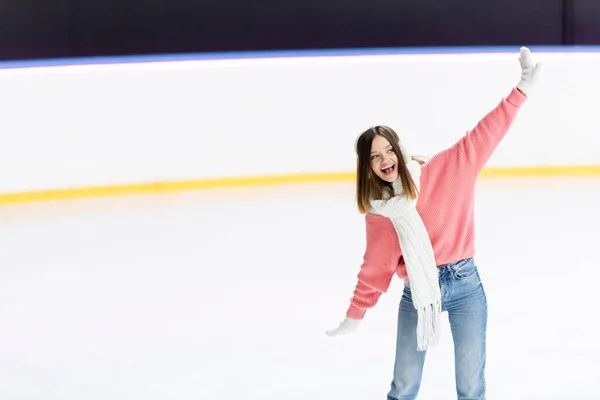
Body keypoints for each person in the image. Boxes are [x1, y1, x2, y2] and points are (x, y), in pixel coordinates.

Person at [326, 47, 542, 399]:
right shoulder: (381, 212)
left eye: (388, 150)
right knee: (403, 386)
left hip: (465, 285)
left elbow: (484, 133)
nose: (384, 160)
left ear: (399, 149)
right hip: (417, 293)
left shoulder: (446, 170)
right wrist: (355, 314)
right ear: (367, 167)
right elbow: (375, 267)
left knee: (471, 388)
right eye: (374, 157)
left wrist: (521, 91)